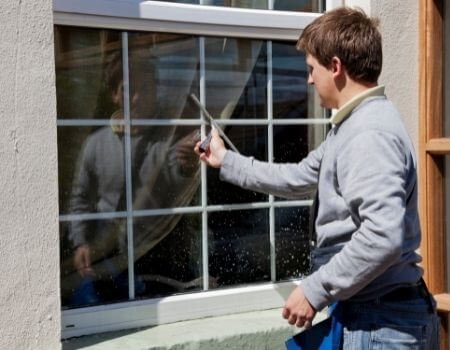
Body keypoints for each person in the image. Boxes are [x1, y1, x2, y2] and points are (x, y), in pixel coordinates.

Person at [195, 7, 440, 348]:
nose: (309, 79)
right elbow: (298, 176)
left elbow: (383, 235)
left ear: (336, 67)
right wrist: (226, 161)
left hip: (382, 326)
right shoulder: (352, 126)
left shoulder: (369, 134)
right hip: (371, 317)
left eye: (312, 68)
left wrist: (313, 290)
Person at [62, 50, 201, 306]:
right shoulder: (96, 144)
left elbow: (177, 185)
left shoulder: (167, 137)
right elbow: (80, 198)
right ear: (115, 94)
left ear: (156, 90)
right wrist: (81, 242)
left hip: (157, 254)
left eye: (146, 88)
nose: (137, 97)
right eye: (128, 89)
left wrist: (188, 167)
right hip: (106, 257)